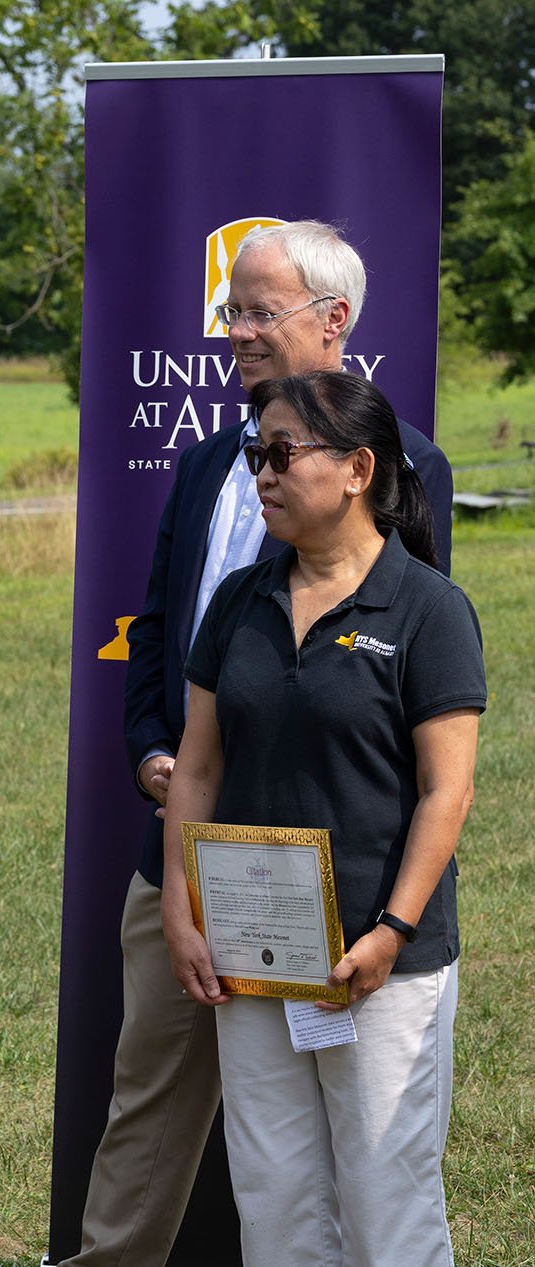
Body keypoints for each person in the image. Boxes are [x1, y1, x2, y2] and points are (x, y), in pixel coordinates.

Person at [65, 220, 453, 1265]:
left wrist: (389, 910)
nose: (231, 330)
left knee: (361, 1158)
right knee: (161, 1105)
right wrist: (157, 752)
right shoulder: (200, 464)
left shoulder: (410, 469)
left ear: (333, 321)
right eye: (228, 310)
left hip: (336, 874)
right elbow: (155, 628)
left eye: (254, 310)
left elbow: (403, 683)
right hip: (189, 862)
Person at [162, 370, 483, 1263]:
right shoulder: (238, 602)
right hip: (257, 953)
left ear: (356, 469)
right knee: (275, 1198)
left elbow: (445, 792)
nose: (261, 474)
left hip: (382, 963)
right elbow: (198, 765)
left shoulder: (430, 609)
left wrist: (392, 928)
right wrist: (180, 908)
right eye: (253, 454)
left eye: (281, 454)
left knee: (389, 1201)